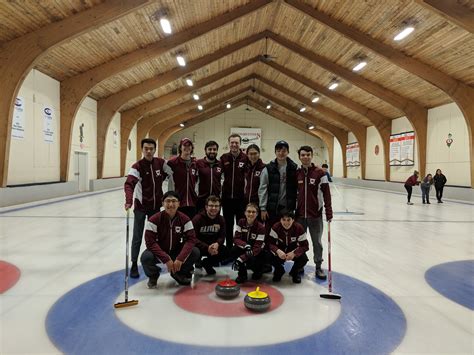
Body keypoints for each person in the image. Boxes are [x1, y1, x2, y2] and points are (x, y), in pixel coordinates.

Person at [124, 138, 168, 279]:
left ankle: (152, 261)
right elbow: (129, 184)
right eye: (146, 149)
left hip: (155, 208)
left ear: (155, 150)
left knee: (156, 236)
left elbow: (172, 171)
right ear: (142, 150)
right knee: (137, 236)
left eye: (151, 148)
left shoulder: (160, 163)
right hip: (141, 208)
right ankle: (134, 264)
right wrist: (129, 200)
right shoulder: (137, 166)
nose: (148, 151)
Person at [140, 191, 200, 288]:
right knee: (146, 257)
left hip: (176, 250)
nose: (171, 204)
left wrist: (180, 258)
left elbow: (191, 240)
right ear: (163, 203)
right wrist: (166, 259)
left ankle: (178, 273)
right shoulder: (154, 219)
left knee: (195, 252)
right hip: (160, 251)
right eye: (167, 201)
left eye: (174, 201)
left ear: (179, 203)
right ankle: (153, 275)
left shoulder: (185, 219)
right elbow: (150, 242)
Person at [296, 145, 333, 280]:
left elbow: (327, 194)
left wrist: (329, 211)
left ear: (312, 155)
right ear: (299, 157)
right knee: (300, 242)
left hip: (315, 215)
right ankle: (299, 265)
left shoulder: (320, 173)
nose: (305, 157)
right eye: (303, 155)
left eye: (308, 154)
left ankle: (318, 266)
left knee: (316, 242)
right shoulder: (297, 173)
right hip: (300, 215)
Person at [258, 140, 298, 232]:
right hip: (272, 208)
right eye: (278, 151)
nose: (281, 153)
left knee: (286, 234)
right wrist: (263, 208)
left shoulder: (294, 168)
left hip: (288, 208)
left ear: (288, 152)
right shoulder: (268, 169)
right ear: (275, 152)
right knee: (270, 233)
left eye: (284, 151)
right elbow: (262, 189)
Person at [220, 134, 248, 248]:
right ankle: (229, 248)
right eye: (232, 142)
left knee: (241, 225)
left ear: (240, 144)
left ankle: (240, 247)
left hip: (241, 199)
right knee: (228, 225)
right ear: (229, 144)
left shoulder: (245, 158)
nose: (234, 145)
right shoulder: (224, 158)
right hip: (226, 199)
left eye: (236, 142)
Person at [268, 211, 309, 283]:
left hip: (293, 250)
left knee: (303, 259)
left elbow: (305, 246)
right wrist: (277, 251)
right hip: (280, 250)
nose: (286, 223)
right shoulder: (275, 227)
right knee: (268, 256)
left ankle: (294, 272)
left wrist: (294, 253)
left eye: (288, 220)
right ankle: (279, 270)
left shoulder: (299, 228)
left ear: (293, 220)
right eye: (283, 220)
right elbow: (270, 243)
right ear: (280, 220)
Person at [231, 203, 266, 283]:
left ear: (257, 214)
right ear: (245, 213)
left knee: (261, 255)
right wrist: (246, 245)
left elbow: (257, 247)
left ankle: (258, 270)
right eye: (249, 211)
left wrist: (240, 259)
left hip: (256, 252)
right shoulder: (241, 222)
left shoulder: (261, 227)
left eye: (253, 212)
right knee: (234, 250)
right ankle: (242, 274)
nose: (251, 214)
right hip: (245, 248)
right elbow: (236, 239)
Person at [192, 195, 227, 275]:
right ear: (206, 207)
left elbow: (222, 236)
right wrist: (206, 247)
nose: (214, 208)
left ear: (219, 207)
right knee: (193, 251)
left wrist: (217, 244)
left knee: (226, 251)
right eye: (211, 206)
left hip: (213, 247)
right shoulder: (197, 219)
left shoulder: (221, 219)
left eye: (216, 206)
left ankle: (207, 263)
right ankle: (196, 262)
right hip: (200, 247)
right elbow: (193, 238)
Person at [165, 138, 198, 219]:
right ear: (180, 147)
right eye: (184, 145)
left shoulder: (196, 164)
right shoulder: (172, 163)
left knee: (191, 228)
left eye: (189, 145)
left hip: (192, 203)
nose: (187, 147)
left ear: (192, 148)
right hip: (177, 202)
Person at [196, 141, 222, 212]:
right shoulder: (198, 163)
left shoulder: (220, 164)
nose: (212, 151)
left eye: (214, 149)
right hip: (201, 200)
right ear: (205, 150)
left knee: (215, 222)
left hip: (216, 201)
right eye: (210, 149)